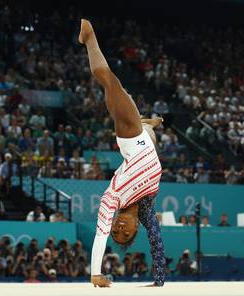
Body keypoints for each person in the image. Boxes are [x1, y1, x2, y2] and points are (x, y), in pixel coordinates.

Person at [79, 19, 165, 287]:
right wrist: (159, 280)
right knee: (144, 126)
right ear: (135, 229)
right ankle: (147, 122)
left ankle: (89, 35)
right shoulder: (147, 211)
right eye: (124, 233)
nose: (118, 228)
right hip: (146, 140)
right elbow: (157, 243)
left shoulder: (111, 200)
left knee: (109, 81)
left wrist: (95, 273)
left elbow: (99, 235)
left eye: (116, 230)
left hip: (129, 137)